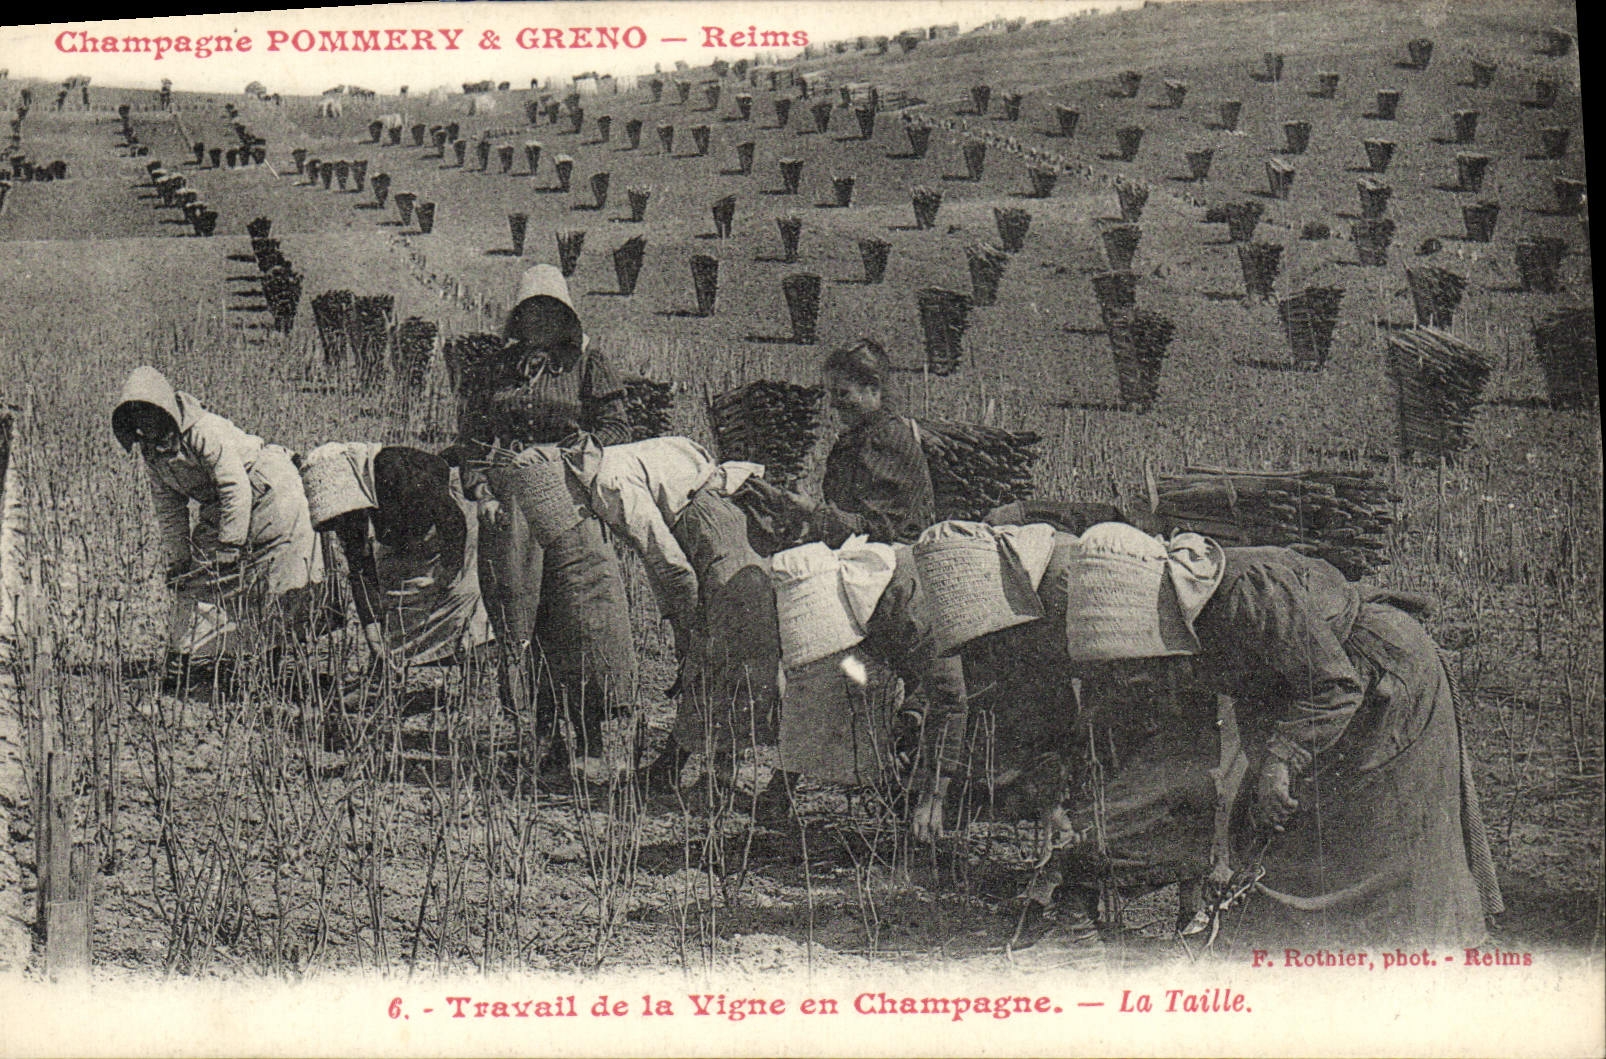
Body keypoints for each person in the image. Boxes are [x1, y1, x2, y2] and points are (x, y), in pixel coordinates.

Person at [1054, 522, 1502, 949]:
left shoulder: (1250, 588)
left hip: (1382, 682)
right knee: (1295, 839)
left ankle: (1415, 958)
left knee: (1384, 835)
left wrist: (1281, 762)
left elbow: (1334, 685)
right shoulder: (1187, 625)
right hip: (1314, 702)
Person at [447, 264, 637, 771]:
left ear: (565, 316)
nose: (539, 322)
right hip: (510, 506)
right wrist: (481, 490)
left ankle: (592, 740)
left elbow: (618, 429)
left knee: (581, 615)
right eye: (530, 313)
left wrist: (569, 455)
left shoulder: (588, 363)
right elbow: (471, 439)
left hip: (570, 503)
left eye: (549, 312)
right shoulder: (496, 368)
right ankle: (541, 735)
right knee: (521, 620)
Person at [564, 434, 784, 807]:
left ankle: (705, 770)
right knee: (729, 652)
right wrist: (677, 616)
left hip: (711, 533)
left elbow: (666, 560)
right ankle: (696, 767)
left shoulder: (608, 482)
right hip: (723, 518)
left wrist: (687, 626)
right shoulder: (622, 455)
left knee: (722, 651)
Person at [112, 365, 323, 686]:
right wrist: (179, 559)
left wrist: (231, 543)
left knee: (279, 575)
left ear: (165, 410)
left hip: (270, 489)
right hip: (223, 503)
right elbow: (169, 509)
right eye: (136, 416)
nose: (144, 422)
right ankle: (181, 666)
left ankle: (273, 664)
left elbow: (233, 484)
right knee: (193, 579)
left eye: (149, 412)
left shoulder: (203, 430)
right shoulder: (152, 454)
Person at [298, 442, 490, 678]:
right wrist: (373, 635)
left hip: (449, 526)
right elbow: (361, 571)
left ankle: (474, 675)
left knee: (462, 598)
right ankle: (387, 668)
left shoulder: (393, 470)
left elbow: (452, 520)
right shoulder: (349, 513)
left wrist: (447, 572)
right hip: (408, 540)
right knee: (394, 601)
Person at [748, 338, 935, 547]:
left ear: (873, 389)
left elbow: (879, 528)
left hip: (889, 554)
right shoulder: (863, 434)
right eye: (832, 394)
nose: (834, 404)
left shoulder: (885, 440)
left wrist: (813, 511)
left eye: (843, 394)